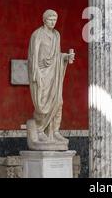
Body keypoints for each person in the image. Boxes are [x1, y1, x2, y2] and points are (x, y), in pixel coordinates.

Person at [27, 9, 75, 145]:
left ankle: (54, 131)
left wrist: (65, 56)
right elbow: (33, 56)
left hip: (54, 73)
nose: (53, 22)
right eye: (50, 19)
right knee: (42, 105)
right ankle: (40, 130)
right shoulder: (37, 35)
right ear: (44, 20)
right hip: (41, 73)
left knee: (58, 101)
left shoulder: (56, 35)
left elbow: (56, 55)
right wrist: (35, 72)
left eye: (55, 19)